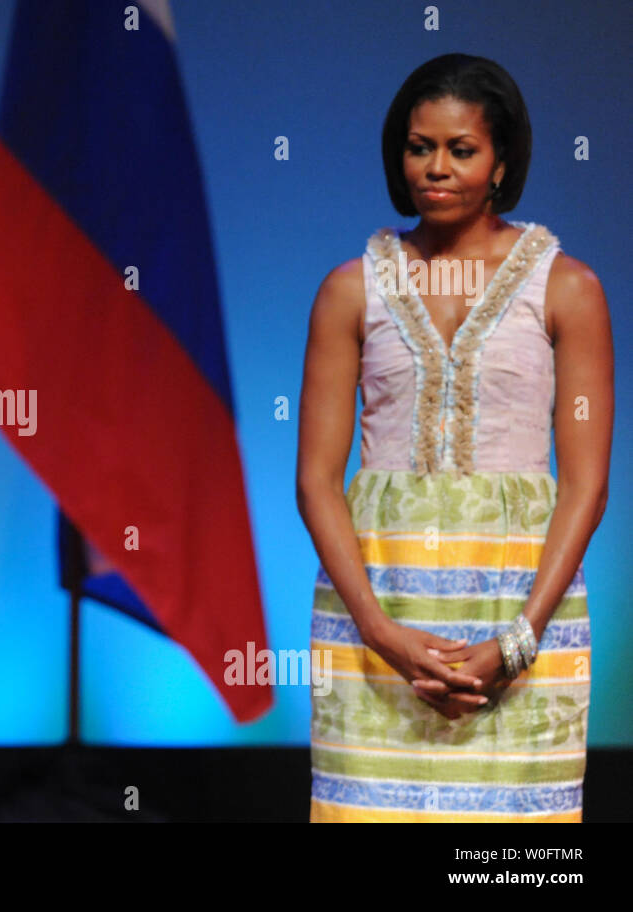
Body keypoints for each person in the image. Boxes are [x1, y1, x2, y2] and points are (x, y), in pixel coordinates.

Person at [296, 54, 612, 822]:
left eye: (460, 150)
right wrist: (378, 632)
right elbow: (314, 481)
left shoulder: (567, 287)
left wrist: (518, 642)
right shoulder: (351, 288)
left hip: (521, 624)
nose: (435, 169)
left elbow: (586, 485)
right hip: (374, 630)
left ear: (502, 161)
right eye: (418, 147)